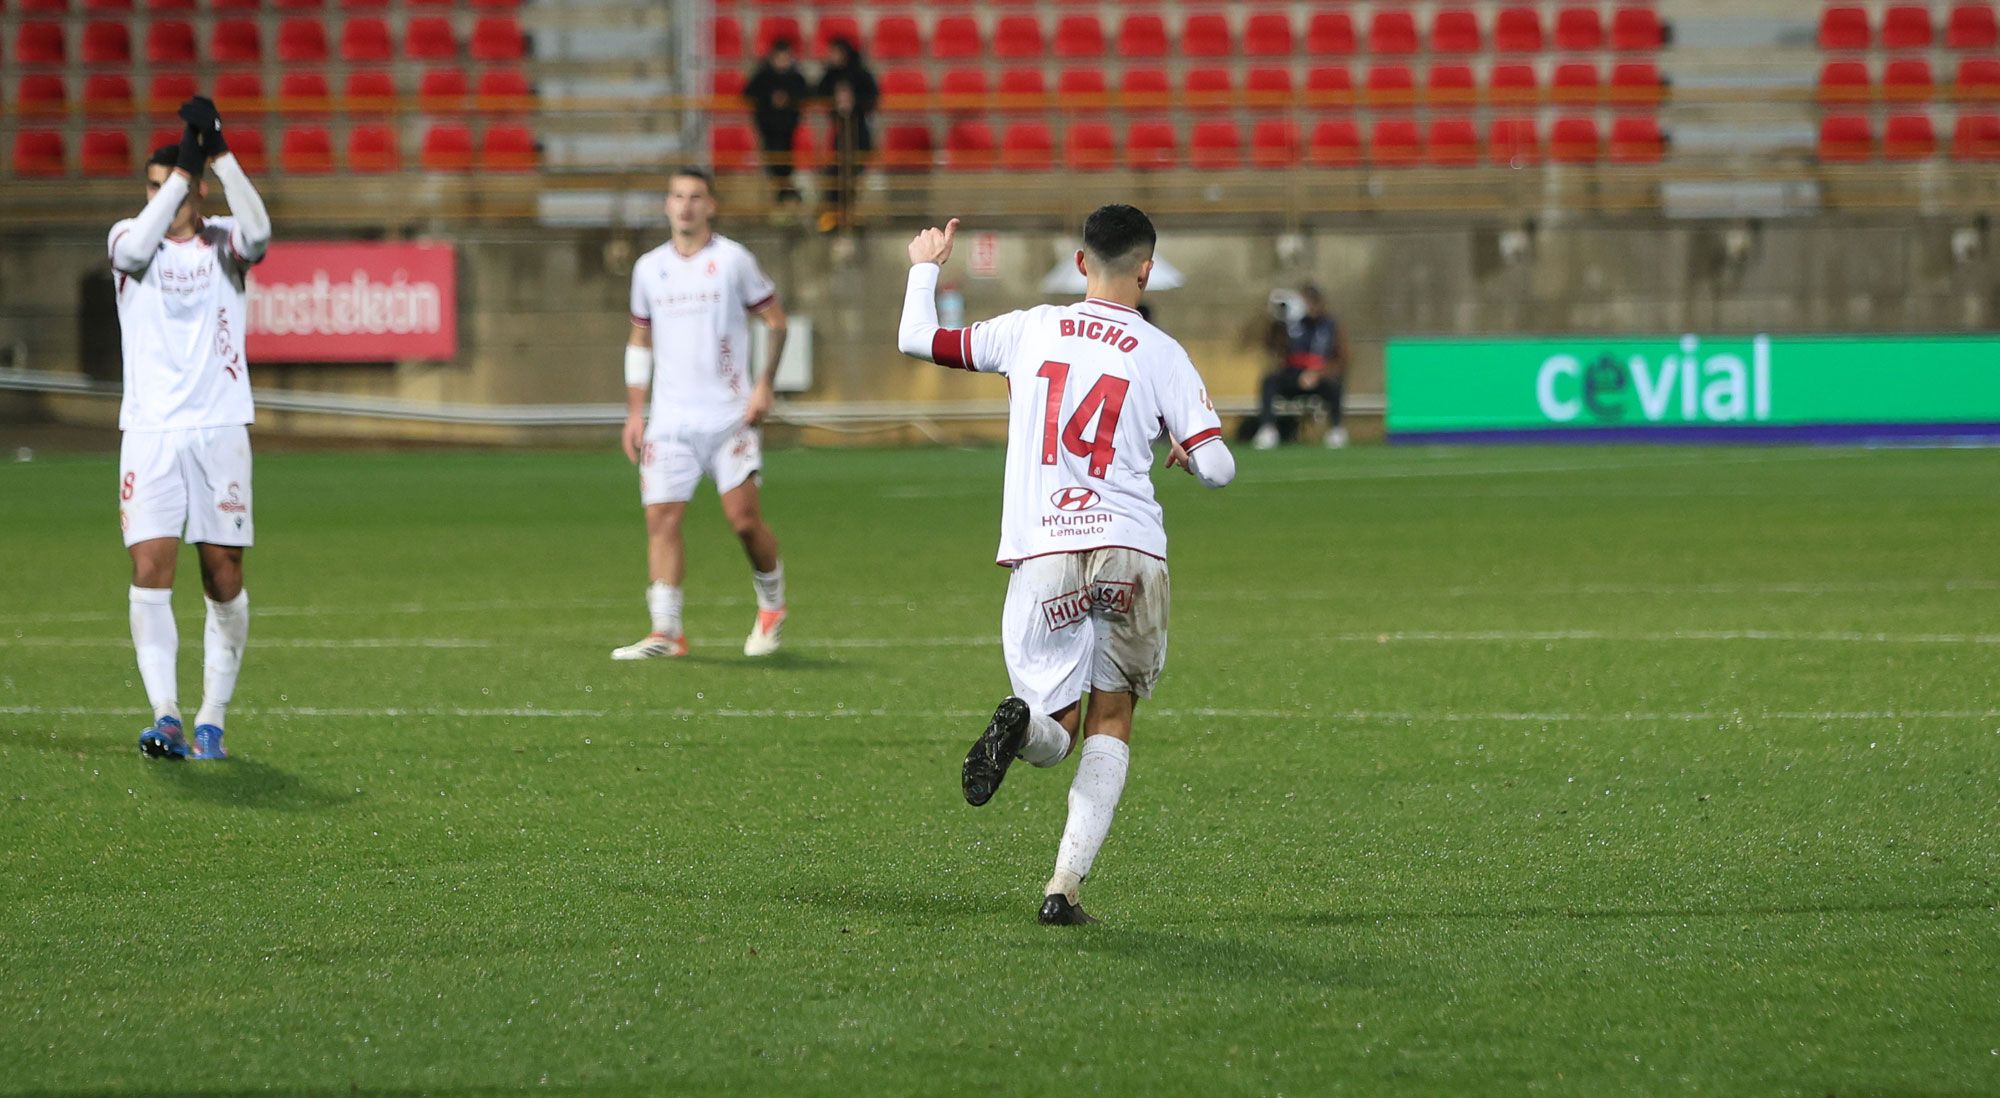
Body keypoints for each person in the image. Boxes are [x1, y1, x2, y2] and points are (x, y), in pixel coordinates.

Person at [896, 206, 1236, 925]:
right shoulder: (1161, 351)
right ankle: (1063, 887)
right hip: (1130, 551)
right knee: (1112, 716)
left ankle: (1024, 730)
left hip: (1045, 546)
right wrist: (1186, 446)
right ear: (1146, 268)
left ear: (1081, 263)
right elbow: (1219, 469)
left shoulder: (1029, 328)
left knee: (1057, 728)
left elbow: (916, 337)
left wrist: (927, 264)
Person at [112, 96, 271, 761]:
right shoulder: (128, 238)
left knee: (222, 575)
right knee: (151, 567)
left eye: (176, 182)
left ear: (200, 188)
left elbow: (262, 232)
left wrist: (221, 151)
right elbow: (143, 242)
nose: (164, 195)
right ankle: (166, 714)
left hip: (218, 428)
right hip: (149, 431)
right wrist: (184, 161)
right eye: (154, 184)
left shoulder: (224, 240)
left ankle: (212, 716)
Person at [613, 167, 790, 661]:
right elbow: (640, 339)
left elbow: (775, 322)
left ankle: (772, 606)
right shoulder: (649, 268)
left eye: (695, 197)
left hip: (729, 417)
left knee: (744, 523)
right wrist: (634, 412)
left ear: (710, 205)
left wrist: (764, 384)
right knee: (661, 520)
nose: (685, 205)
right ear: (667, 205)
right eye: (676, 196)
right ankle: (666, 631)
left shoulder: (732, 261)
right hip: (669, 422)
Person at [1252, 284, 1348, 449]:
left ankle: (1336, 430)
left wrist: (1318, 374)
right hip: (1293, 375)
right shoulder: (1290, 324)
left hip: (1319, 377)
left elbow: (1342, 358)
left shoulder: (1330, 325)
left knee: (1335, 386)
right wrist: (1279, 321)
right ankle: (1268, 429)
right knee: (1269, 382)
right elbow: (1272, 347)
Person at [815, 38, 877, 231]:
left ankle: (848, 215)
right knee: (835, 174)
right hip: (840, 134)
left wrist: (853, 103)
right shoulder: (831, 75)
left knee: (852, 176)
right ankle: (834, 216)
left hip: (858, 133)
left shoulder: (860, 74)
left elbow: (872, 97)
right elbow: (818, 92)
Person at [742, 41, 808, 205]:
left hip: (789, 128)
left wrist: (788, 100)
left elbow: (805, 94)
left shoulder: (795, 77)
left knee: (786, 161)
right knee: (773, 160)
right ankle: (785, 194)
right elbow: (748, 93)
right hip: (768, 127)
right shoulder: (763, 76)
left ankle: (785, 194)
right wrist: (769, 99)